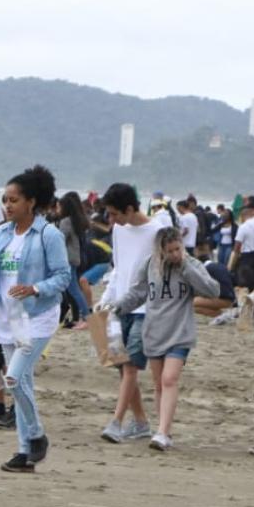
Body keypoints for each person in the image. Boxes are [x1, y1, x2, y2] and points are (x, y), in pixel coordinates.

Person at [0, 165, 68, 473]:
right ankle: (25, 452)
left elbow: (63, 276)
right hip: (6, 316)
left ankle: (37, 434)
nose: (7, 205)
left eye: (13, 200)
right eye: (5, 199)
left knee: (12, 378)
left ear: (31, 203)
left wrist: (36, 288)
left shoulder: (48, 235)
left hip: (38, 317)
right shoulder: (0, 233)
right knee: (21, 381)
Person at [100, 226, 218, 452]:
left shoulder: (191, 264)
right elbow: (137, 294)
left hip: (180, 333)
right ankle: (163, 431)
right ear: (160, 251)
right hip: (154, 332)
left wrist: (185, 266)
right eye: (170, 251)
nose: (175, 254)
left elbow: (212, 290)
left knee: (169, 379)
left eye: (178, 249)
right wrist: (116, 307)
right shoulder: (149, 265)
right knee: (158, 384)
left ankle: (162, 433)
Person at [97, 183, 171, 443]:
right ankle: (140, 422)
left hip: (147, 309)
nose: (111, 219)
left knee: (131, 366)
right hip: (120, 307)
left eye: (115, 213)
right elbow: (118, 267)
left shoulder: (158, 231)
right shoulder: (118, 230)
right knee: (121, 366)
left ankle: (116, 422)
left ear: (130, 209)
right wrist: (106, 300)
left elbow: (167, 272)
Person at [55, 191, 91, 329]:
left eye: (60, 207)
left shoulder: (66, 221)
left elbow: (59, 240)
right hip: (75, 258)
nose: (58, 210)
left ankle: (86, 317)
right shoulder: (77, 220)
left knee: (74, 289)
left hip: (68, 259)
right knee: (73, 289)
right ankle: (81, 316)